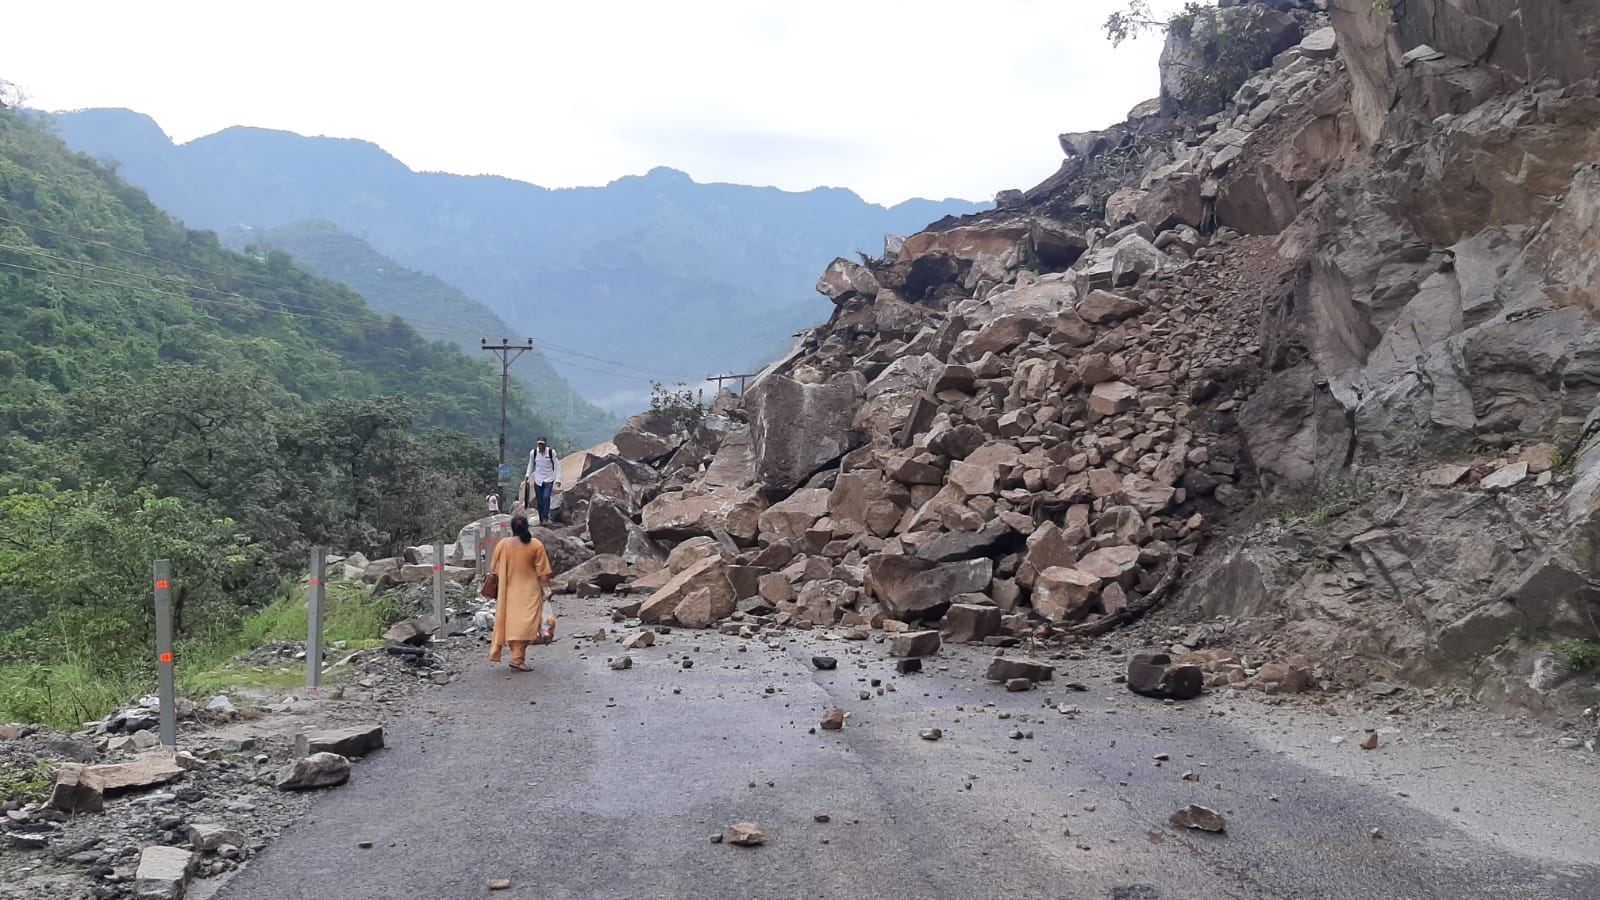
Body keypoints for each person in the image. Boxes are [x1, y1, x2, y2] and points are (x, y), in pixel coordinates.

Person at [488, 514, 553, 671]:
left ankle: (516, 656)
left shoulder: (503, 545)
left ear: (512, 528)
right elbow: (543, 572)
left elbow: (494, 567)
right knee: (526, 624)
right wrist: (547, 590)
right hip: (530, 591)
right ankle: (517, 658)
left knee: (511, 622)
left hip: (508, 591)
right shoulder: (535, 545)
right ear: (527, 527)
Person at [525, 437, 561, 525]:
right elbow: (531, 465)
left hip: (549, 478)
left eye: (542, 444)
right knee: (540, 501)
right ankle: (541, 519)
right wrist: (527, 474)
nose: (541, 446)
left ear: (545, 444)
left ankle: (545, 517)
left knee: (546, 497)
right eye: (539, 444)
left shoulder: (551, 452)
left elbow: (557, 466)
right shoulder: (534, 453)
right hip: (538, 479)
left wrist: (558, 479)